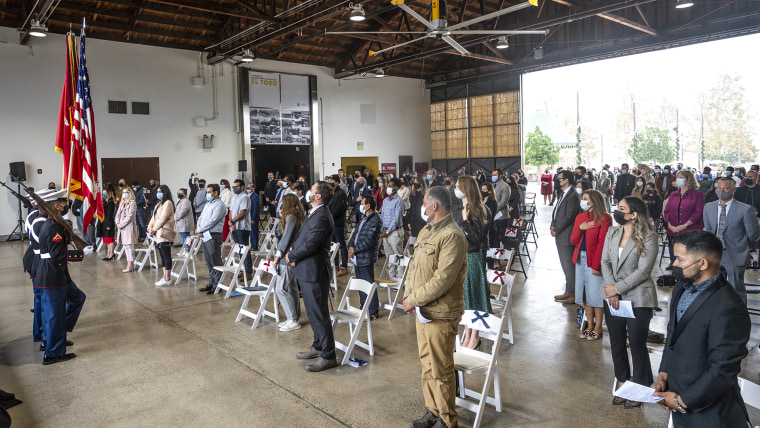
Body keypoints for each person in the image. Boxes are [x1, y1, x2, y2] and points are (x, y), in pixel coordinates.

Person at [654, 231, 751, 427]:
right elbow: (673, 333)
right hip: (678, 395)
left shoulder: (728, 306)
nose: (674, 265)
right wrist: (664, 371)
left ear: (703, 264)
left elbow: (723, 369)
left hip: (709, 411)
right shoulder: (681, 287)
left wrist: (682, 401)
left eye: (679, 259)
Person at [402, 186, 467, 428]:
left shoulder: (452, 236)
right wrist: (410, 295)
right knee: (427, 364)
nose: (422, 206)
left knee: (441, 367)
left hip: (441, 313)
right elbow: (414, 268)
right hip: (424, 312)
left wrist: (413, 299)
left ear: (434, 206)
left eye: (424, 202)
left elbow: (443, 279)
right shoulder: (425, 231)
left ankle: (448, 420)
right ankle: (433, 410)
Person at [601, 196, 658, 408]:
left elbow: (644, 270)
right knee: (616, 342)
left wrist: (618, 288)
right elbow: (604, 262)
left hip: (638, 297)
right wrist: (611, 289)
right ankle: (623, 382)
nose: (617, 211)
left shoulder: (649, 237)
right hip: (612, 295)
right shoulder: (612, 232)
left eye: (621, 208)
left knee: (636, 343)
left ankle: (640, 387)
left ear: (633, 214)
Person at [287, 182, 337, 372]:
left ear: (318, 196)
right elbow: (304, 238)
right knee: (313, 312)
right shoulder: (315, 212)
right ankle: (318, 346)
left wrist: (291, 255)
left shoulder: (323, 216)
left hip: (314, 271)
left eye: (312, 190)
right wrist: (294, 250)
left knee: (319, 315)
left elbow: (311, 245)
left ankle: (328, 355)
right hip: (306, 269)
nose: (309, 192)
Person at [35, 189, 87, 365]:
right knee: (54, 315)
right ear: (56, 206)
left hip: (58, 275)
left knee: (77, 298)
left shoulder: (55, 223)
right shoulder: (54, 226)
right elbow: (57, 255)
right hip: (52, 276)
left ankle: (53, 337)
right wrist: (80, 253)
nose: (67, 206)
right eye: (65, 204)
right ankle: (53, 352)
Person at [701, 177, 759, 303]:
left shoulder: (745, 209)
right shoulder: (708, 207)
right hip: (714, 253)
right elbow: (708, 229)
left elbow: (753, 234)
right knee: (714, 287)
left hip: (734, 253)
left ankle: (739, 316)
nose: (722, 191)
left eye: (726, 188)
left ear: (733, 190)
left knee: (736, 288)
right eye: (719, 188)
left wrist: (741, 245)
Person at [453, 176, 492, 350]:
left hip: (474, 257)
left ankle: (475, 336)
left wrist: (466, 221)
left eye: (458, 186)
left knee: (474, 297)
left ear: (466, 189)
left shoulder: (481, 210)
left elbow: (477, 238)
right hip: (462, 256)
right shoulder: (462, 208)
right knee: (466, 297)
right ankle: (467, 334)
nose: (455, 189)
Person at [570, 189, 612, 341]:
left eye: (585, 198)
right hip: (580, 259)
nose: (583, 201)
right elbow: (573, 240)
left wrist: (596, 266)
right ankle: (589, 324)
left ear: (594, 201)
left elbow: (602, 244)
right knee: (585, 294)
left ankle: (598, 326)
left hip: (594, 259)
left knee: (596, 295)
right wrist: (581, 228)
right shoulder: (581, 217)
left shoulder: (605, 219)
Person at [347, 195, 383, 320]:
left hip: (366, 257)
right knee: (361, 284)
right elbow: (355, 233)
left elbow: (369, 241)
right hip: (358, 256)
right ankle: (364, 306)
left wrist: (355, 250)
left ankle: (373, 310)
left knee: (368, 284)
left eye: (362, 203)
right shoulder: (364, 218)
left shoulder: (375, 220)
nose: (360, 206)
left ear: (368, 206)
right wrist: (350, 246)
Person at [274, 194, 305, 332]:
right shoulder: (298, 216)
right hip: (291, 256)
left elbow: (286, 238)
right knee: (292, 288)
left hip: (286, 257)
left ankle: (292, 319)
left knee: (281, 289)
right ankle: (295, 317)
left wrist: (277, 256)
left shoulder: (291, 217)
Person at [663, 170, 704, 268]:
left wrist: (684, 225)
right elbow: (667, 211)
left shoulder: (698, 195)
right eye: (677, 177)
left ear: (688, 180)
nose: (678, 180)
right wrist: (669, 225)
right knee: (675, 253)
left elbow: (698, 213)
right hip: (673, 230)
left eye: (681, 177)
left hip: (690, 231)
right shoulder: (673, 194)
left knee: (688, 258)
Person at [552, 170, 581, 305]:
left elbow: (569, 216)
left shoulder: (573, 195)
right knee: (564, 264)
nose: (558, 181)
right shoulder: (564, 194)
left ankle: (574, 294)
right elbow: (557, 211)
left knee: (569, 265)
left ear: (567, 180)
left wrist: (557, 229)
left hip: (566, 233)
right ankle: (569, 290)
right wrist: (553, 225)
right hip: (560, 232)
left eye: (560, 179)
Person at [197, 184, 227, 294]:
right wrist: (199, 228)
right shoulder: (208, 204)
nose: (207, 194)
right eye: (207, 192)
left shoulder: (220, 205)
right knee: (209, 261)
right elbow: (201, 217)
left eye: (209, 192)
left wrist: (201, 230)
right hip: (205, 234)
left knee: (215, 261)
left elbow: (212, 221)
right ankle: (211, 282)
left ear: (216, 193)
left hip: (213, 235)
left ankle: (218, 285)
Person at [149, 185, 176, 286]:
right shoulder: (159, 204)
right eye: (158, 191)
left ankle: (168, 278)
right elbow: (154, 218)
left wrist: (154, 229)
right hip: (157, 234)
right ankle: (165, 276)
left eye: (161, 191)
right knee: (162, 256)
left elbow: (163, 218)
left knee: (166, 256)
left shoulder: (168, 203)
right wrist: (150, 227)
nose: (158, 193)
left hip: (164, 233)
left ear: (165, 192)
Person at [381, 177, 405, 276]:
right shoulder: (386, 200)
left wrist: (388, 231)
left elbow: (396, 218)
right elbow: (382, 216)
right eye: (388, 186)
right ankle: (392, 277)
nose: (388, 188)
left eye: (391, 186)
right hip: (385, 232)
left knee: (398, 256)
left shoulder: (399, 201)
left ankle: (400, 279)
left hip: (394, 232)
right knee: (389, 257)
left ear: (396, 188)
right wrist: (382, 230)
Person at [229, 179, 253, 278]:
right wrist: (231, 222)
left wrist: (232, 221)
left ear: (242, 187)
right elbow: (230, 211)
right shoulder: (234, 198)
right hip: (234, 227)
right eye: (233, 187)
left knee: (245, 250)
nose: (235, 188)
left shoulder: (245, 197)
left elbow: (242, 213)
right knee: (239, 250)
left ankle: (248, 272)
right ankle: (242, 270)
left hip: (242, 228)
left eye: (237, 186)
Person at [327, 175, 349, 277]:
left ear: (336, 182)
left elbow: (339, 209)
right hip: (331, 223)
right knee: (333, 245)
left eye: (331, 180)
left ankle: (344, 266)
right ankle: (335, 265)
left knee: (341, 245)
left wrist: (329, 216)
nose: (329, 182)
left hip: (338, 223)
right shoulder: (331, 193)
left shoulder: (341, 194)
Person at [115, 186, 138, 273]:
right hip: (121, 227)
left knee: (129, 246)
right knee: (125, 246)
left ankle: (130, 264)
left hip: (128, 227)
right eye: (123, 192)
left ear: (130, 193)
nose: (124, 194)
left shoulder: (133, 203)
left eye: (126, 192)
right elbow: (117, 214)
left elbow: (130, 216)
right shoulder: (122, 203)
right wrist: (117, 223)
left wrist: (121, 224)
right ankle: (129, 263)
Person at [492, 169, 511, 250]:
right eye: (492, 175)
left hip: (502, 216)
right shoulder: (493, 185)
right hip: (494, 217)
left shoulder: (505, 186)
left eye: (495, 175)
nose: (493, 177)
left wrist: (493, 210)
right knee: (495, 237)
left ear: (500, 176)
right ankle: (496, 256)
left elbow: (503, 202)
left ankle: (507, 258)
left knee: (504, 237)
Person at [98, 184, 117, 261]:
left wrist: (109, 224)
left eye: (105, 193)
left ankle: (111, 254)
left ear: (108, 194)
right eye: (103, 193)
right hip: (104, 222)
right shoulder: (105, 202)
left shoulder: (110, 202)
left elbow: (109, 214)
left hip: (108, 222)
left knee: (110, 239)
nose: (103, 195)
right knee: (107, 240)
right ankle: (108, 254)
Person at [174, 188, 194, 253]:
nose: (179, 194)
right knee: (183, 237)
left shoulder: (185, 201)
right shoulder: (179, 201)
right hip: (180, 222)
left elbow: (182, 212)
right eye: (178, 193)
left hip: (184, 223)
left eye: (181, 193)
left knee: (186, 237)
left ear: (185, 194)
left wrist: (175, 218)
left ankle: (187, 250)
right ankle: (185, 249)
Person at [246, 182, 260, 251]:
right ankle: (252, 244)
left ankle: (255, 246)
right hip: (248, 217)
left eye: (249, 188)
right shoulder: (248, 195)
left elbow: (255, 208)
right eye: (247, 187)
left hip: (252, 217)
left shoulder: (255, 196)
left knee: (254, 232)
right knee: (250, 232)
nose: (248, 189)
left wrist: (253, 218)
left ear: (253, 188)